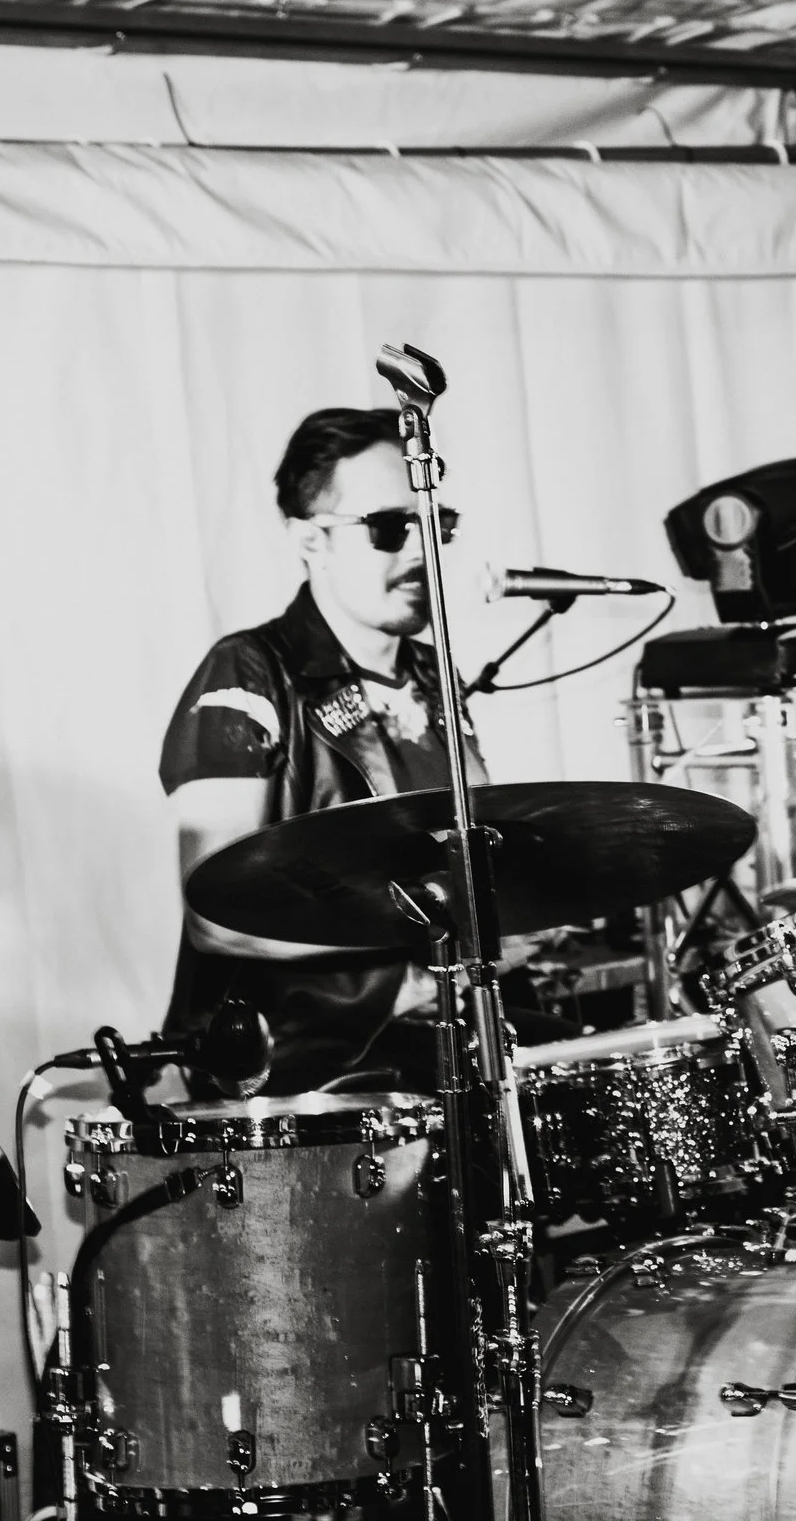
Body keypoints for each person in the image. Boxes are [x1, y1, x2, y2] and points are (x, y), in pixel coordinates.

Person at [159, 407, 485, 1096]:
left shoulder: (436, 676)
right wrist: (419, 944)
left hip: (432, 1040)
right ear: (311, 539)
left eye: (434, 523)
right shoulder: (246, 675)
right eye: (389, 527)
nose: (421, 549)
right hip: (299, 1071)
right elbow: (217, 918)